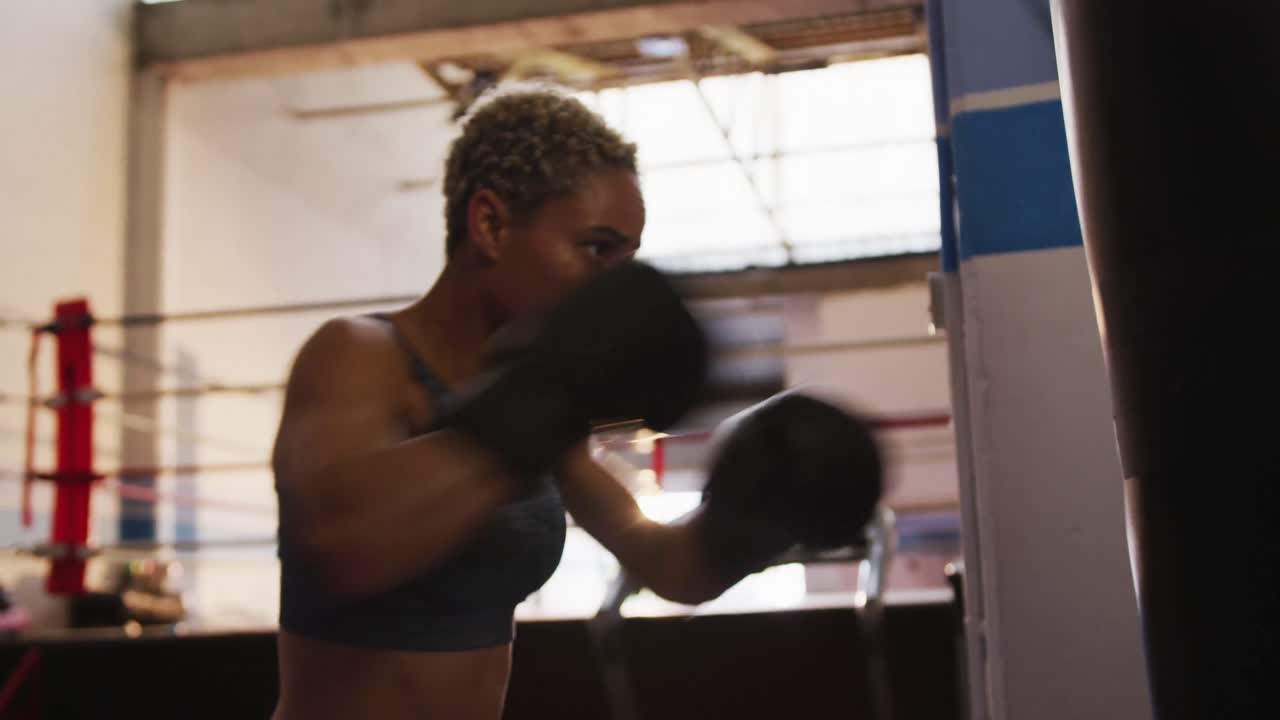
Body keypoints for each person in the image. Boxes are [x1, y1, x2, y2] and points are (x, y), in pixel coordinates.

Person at [270, 84, 880, 720]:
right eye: (596, 248)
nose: (613, 284)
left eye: (627, 258)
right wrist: (542, 402)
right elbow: (341, 543)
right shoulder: (362, 355)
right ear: (491, 224)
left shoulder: (546, 410)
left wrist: (757, 519)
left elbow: (668, 566)